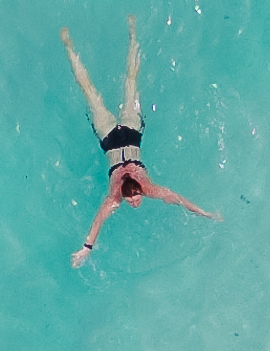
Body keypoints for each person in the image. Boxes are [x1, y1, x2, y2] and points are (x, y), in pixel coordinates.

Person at [66, 15, 219, 265]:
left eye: (134, 199)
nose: (135, 202)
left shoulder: (130, 193)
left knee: (114, 87)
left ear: (136, 187)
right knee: (105, 89)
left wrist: (204, 213)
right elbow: (98, 221)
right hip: (124, 134)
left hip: (119, 136)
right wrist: (86, 249)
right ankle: (78, 45)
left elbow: (178, 198)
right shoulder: (123, 195)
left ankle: (130, 32)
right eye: (133, 200)